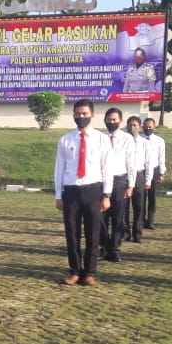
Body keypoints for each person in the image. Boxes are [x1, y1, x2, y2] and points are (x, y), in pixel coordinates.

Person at [54, 99, 113, 285]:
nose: (81, 117)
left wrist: (107, 195)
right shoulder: (65, 140)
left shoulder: (102, 139)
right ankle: (74, 270)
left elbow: (107, 168)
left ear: (92, 115)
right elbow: (59, 169)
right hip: (71, 191)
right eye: (78, 114)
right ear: (73, 115)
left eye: (85, 114)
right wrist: (58, 194)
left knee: (93, 233)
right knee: (72, 234)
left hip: (93, 190)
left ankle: (89, 272)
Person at [100, 107, 134, 262]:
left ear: (120, 121)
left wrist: (131, 185)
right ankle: (103, 246)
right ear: (105, 120)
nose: (111, 122)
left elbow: (131, 162)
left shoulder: (127, 138)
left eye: (114, 119)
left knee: (118, 216)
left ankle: (115, 248)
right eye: (109, 119)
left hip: (120, 181)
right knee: (101, 216)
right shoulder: (100, 137)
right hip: (101, 181)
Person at [123, 115, 155, 243]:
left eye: (135, 125)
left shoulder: (145, 143)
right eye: (130, 125)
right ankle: (125, 233)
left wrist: (148, 180)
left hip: (139, 175)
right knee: (123, 206)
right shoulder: (123, 141)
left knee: (139, 206)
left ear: (140, 127)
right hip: (124, 176)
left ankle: (137, 233)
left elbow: (149, 163)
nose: (132, 127)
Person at [142, 117, 166, 229]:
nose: (148, 128)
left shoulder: (159, 141)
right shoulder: (139, 139)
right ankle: (141, 220)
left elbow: (161, 157)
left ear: (154, 127)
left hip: (155, 169)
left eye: (150, 127)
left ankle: (150, 220)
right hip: (141, 171)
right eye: (146, 127)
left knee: (152, 197)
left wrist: (162, 173)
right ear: (142, 127)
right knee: (141, 197)